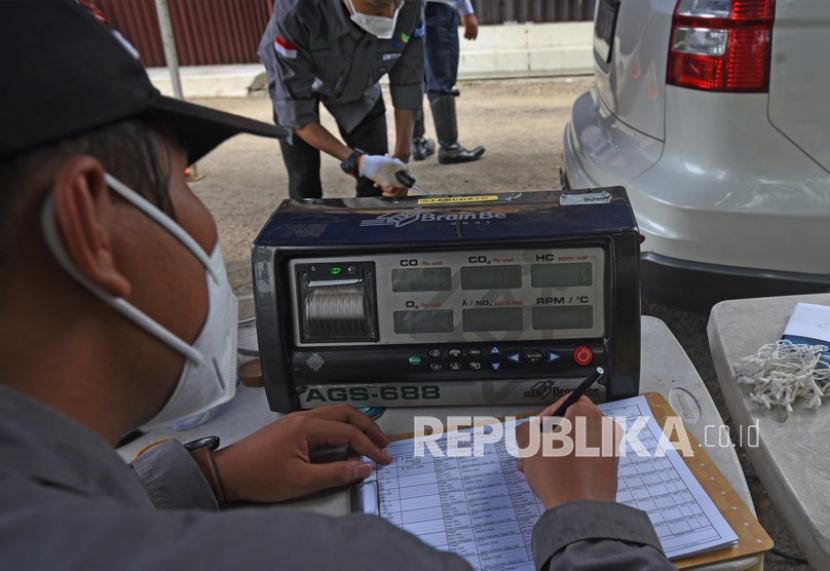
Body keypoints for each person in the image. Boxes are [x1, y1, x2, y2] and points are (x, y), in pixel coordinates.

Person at [0, 3, 674, 570]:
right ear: (87, 224)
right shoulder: (348, 558)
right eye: (186, 185)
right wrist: (585, 519)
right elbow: (294, 110)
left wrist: (202, 477)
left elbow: (408, 87)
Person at [258, 0, 425, 199]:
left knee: (376, 182)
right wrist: (357, 161)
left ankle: (371, 225)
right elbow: (296, 114)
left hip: (360, 82)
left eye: (395, 2)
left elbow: (408, 81)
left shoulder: (412, 5)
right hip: (296, 76)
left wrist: (401, 157)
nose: (389, 14)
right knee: (304, 180)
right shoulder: (295, 11)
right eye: (375, 4)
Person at [412, 0, 485, 163]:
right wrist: (467, 11)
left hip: (409, 9)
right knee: (441, 74)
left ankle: (417, 142)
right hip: (438, 7)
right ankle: (449, 147)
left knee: (414, 76)